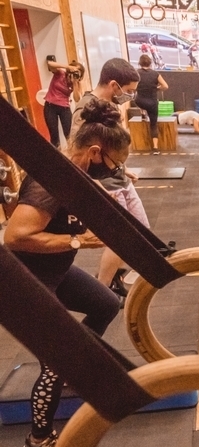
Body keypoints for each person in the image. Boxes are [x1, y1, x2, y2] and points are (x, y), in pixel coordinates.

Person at [4, 99, 128, 447]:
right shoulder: (49, 182)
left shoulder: (74, 173)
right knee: (57, 360)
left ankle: (76, 367)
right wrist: (79, 241)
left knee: (106, 303)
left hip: (54, 272)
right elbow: (15, 236)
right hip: (23, 284)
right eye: (115, 164)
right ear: (94, 152)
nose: (116, 170)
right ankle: (38, 440)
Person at [70, 58, 149, 294]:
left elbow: (113, 146)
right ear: (114, 85)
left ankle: (113, 276)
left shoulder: (108, 107)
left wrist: (123, 167)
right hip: (104, 183)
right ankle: (102, 291)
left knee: (142, 232)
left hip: (119, 178)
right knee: (121, 238)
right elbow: (78, 153)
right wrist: (94, 186)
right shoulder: (84, 109)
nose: (130, 96)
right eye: (129, 91)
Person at [43, 57, 85, 148]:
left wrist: (75, 83)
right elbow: (50, 64)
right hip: (50, 106)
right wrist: (67, 67)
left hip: (64, 108)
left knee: (69, 135)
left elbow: (77, 99)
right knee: (54, 136)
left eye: (77, 73)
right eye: (74, 71)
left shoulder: (77, 83)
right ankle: (56, 154)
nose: (74, 74)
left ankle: (71, 154)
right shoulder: (60, 73)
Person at [136, 55, 169, 154]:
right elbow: (165, 86)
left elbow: (132, 87)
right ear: (150, 63)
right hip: (152, 103)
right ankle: (155, 148)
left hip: (140, 101)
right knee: (153, 124)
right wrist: (156, 88)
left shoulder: (136, 73)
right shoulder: (155, 74)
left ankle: (142, 112)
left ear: (139, 63)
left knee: (136, 99)